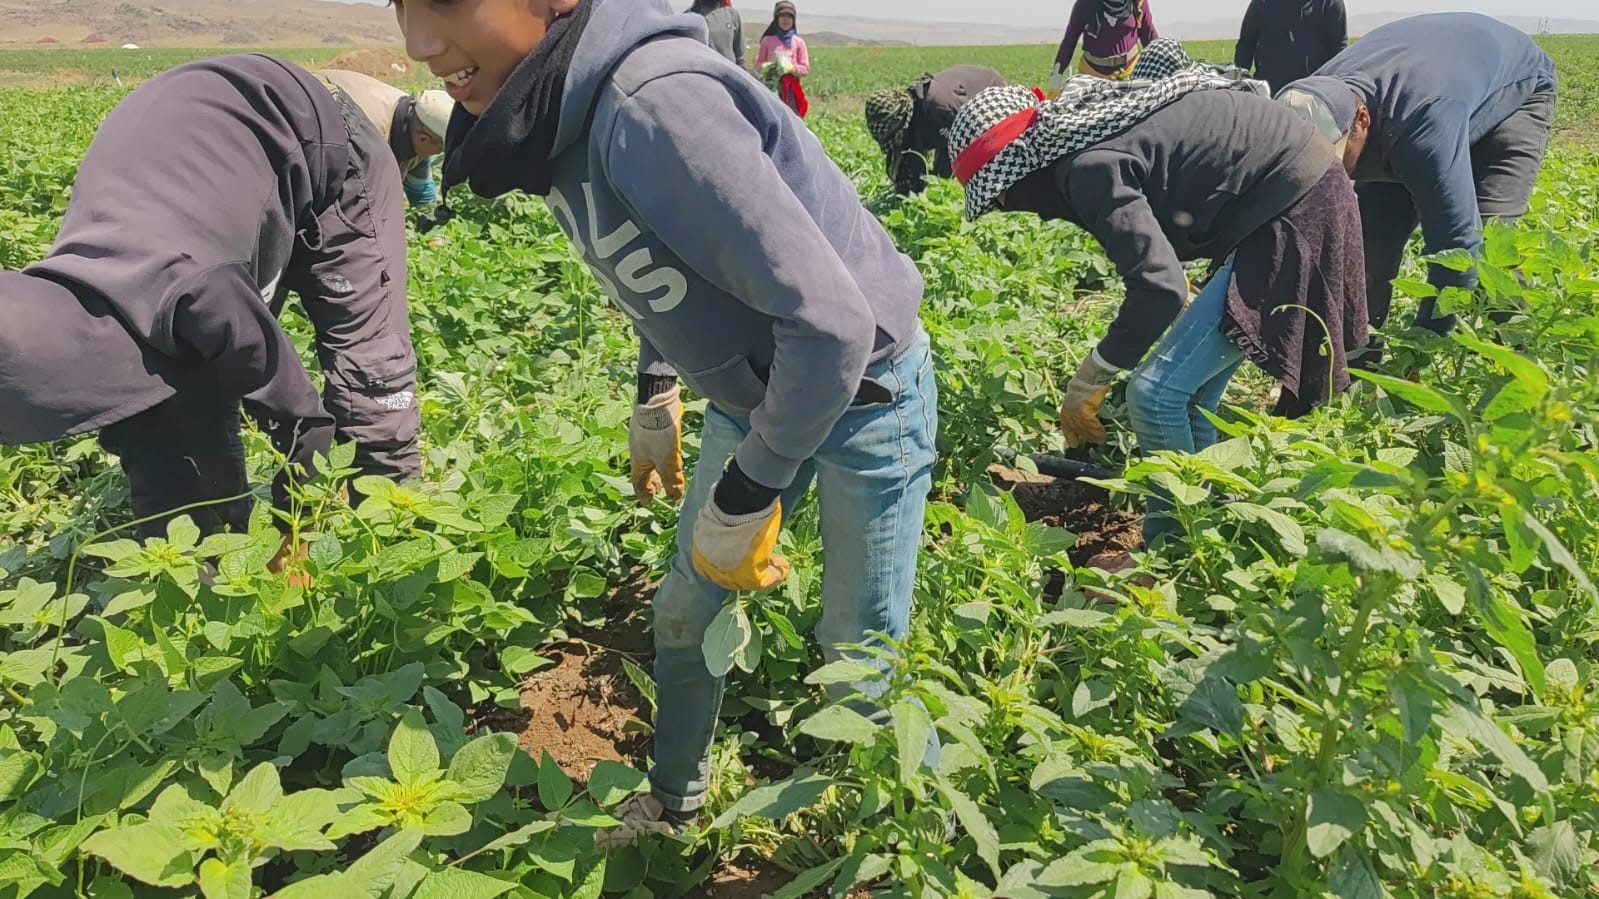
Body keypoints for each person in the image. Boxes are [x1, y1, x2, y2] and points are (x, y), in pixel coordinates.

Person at [393, 0, 934, 841]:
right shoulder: (562, 111)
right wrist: (658, 386)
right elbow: (659, 263)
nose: (420, 44)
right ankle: (674, 806)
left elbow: (832, 324)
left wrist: (751, 486)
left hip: (864, 392)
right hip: (750, 396)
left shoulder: (653, 105)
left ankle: (910, 845)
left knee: (857, 654)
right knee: (684, 613)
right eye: (401, 8)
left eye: (446, 3)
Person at [0, 54, 420, 543]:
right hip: (200, 158)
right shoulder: (63, 306)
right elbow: (151, 438)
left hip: (320, 135)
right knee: (174, 408)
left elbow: (296, 414)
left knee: (369, 365)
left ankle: (393, 538)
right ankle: (221, 540)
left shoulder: (197, 291)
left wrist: (296, 533)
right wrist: (189, 561)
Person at [948, 58, 1367, 544]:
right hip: (1288, 196)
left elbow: (1160, 287)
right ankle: (1208, 530)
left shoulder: (1089, 169)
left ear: (1018, 170)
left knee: (1154, 395)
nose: (1016, 209)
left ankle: (1167, 547)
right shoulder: (1090, 149)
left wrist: (1093, 374)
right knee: (1192, 398)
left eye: (1001, 197)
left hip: (1293, 208)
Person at [1277, 12, 1557, 342]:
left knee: (1489, 244)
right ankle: (1354, 364)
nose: (1330, 173)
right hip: (1431, 85)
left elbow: (1459, 249)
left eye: (1335, 159)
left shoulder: (1422, 130)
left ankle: (1516, 361)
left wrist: (1420, 348)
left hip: (1515, 89)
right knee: (1369, 247)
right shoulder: (1314, 98)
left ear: (1361, 120)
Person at [317, 69, 452, 208]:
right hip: (305, 101)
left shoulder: (416, 121)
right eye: (441, 148)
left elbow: (421, 191)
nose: (440, 153)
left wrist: (429, 217)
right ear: (423, 139)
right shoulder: (366, 137)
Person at [865, 65, 1007, 195]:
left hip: (990, 95)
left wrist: (943, 179)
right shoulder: (911, 109)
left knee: (961, 169)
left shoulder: (940, 108)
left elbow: (964, 142)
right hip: (952, 114)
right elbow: (910, 150)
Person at [1233, 0, 1347, 95]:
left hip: (1312, 94)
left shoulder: (1329, 3)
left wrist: (1331, 89)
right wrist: (1240, 83)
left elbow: (1338, 50)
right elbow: (1246, 44)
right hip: (1269, 93)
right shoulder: (1263, 3)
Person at [1049, 0, 1158, 90]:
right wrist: (1056, 76)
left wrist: (1164, 63)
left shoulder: (1138, 3)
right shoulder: (1085, 4)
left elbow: (1149, 38)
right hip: (1092, 76)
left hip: (1131, 73)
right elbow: (1069, 41)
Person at [756, 0, 809, 117]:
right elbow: (758, 65)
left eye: (789, 16)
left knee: (792, 122)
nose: (786, 20)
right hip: (770, 88)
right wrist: (768, 67)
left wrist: (790, 68)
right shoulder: (767, 41)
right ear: (776, 19)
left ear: (794, 20)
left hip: (791, 92)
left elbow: (805, 69)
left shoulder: (799, 42)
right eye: (782, 16)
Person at [687, 0, 748, 71]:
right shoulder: (689, 17)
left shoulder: (732, 14)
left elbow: (740, 58)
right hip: (703, 75)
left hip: (729, 76)